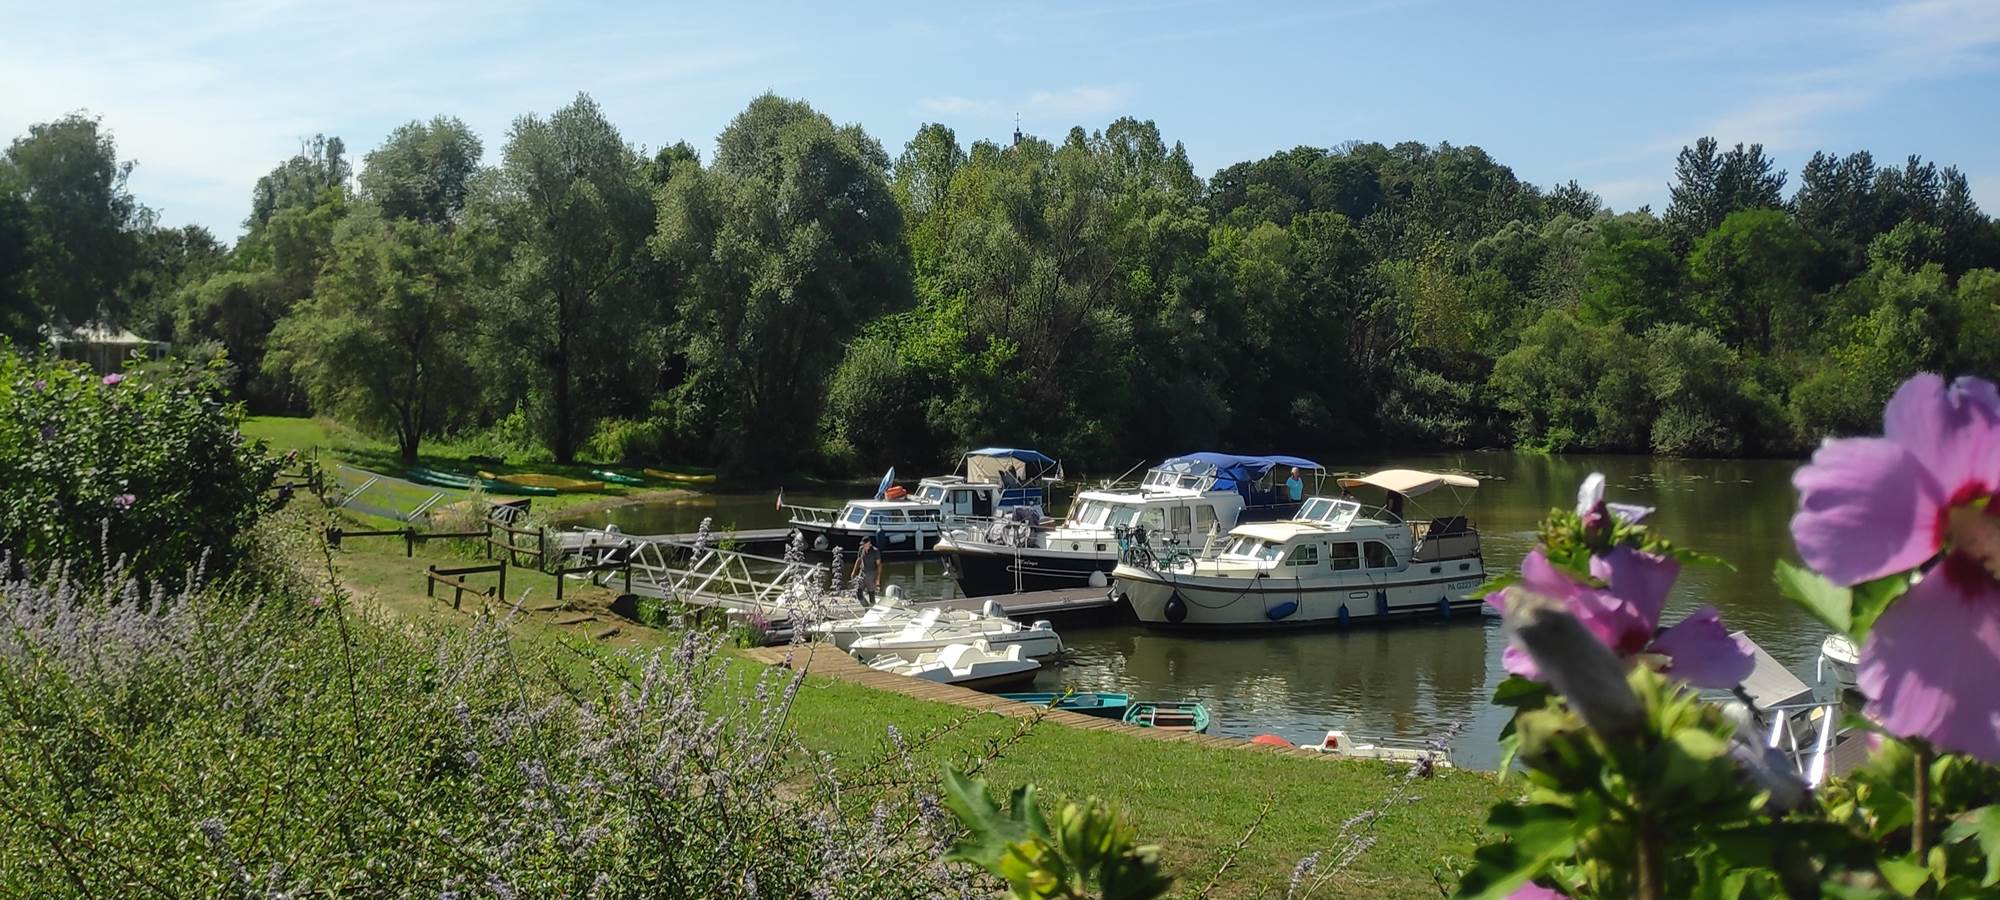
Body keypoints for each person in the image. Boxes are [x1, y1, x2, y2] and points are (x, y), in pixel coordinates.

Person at [851, 536, 882, 604]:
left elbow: (879, 565)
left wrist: (877, 579)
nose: (863, 546)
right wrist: (854, 572)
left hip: (871, 575)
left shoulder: (875, 552)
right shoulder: (861, 549)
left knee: (871, 596)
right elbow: (858, 560)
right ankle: (866, 606)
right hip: (862, 573)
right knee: (859, 593)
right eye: (863, 544)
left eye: (865, 544)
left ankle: (872, 608)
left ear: (869, 544)